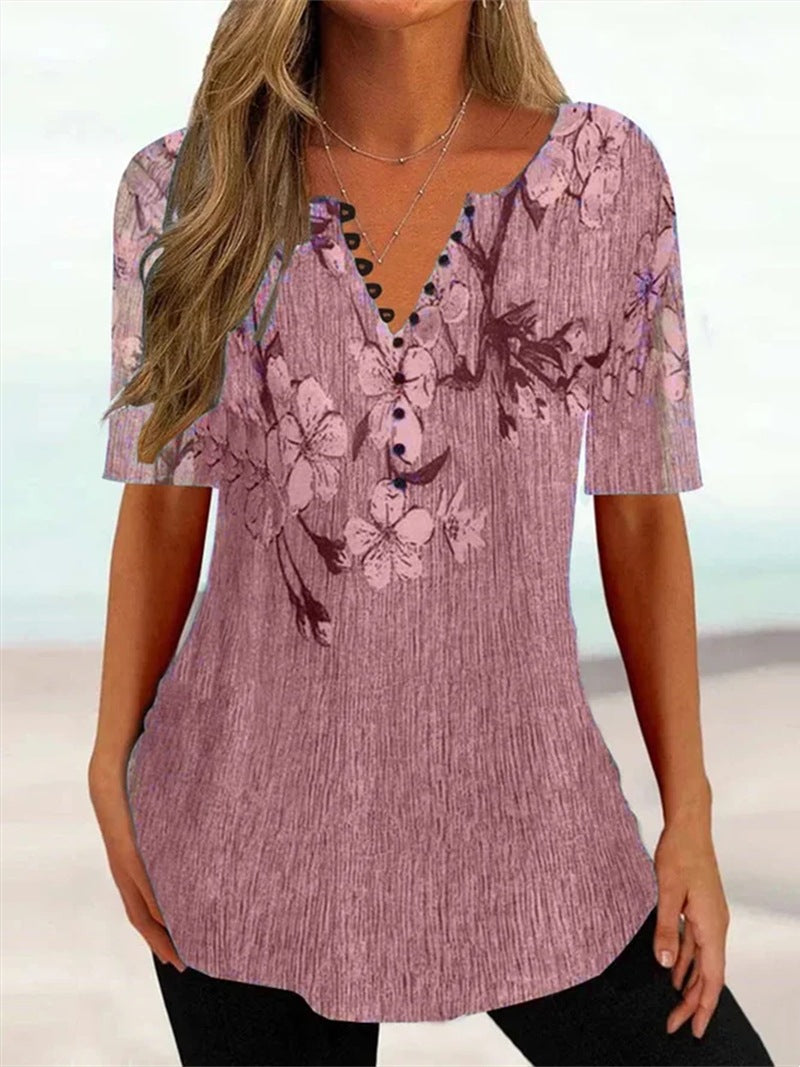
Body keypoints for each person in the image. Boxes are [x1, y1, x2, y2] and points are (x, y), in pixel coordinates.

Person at [88, 1, 775, 1065]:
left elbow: (639, 511)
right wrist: (109, 758)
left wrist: (689, 812)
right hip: (239, 825)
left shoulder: (604, 178)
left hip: (532, 817)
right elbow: (165, 494)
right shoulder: (186, 188)